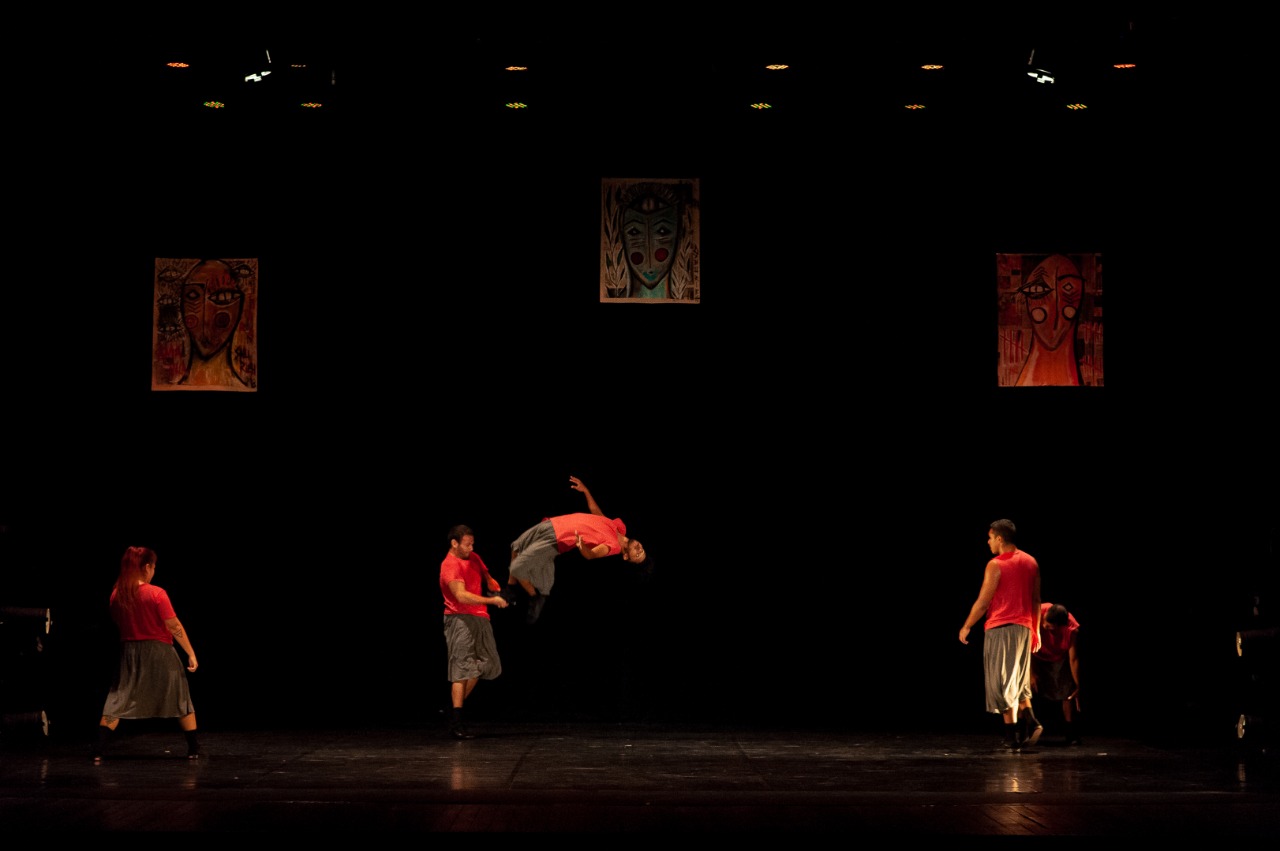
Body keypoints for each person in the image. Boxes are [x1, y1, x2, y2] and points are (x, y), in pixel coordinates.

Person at [92, 546, 200, 762]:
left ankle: (98, 750)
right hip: (160, 653)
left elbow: (118, 622)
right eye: (154, 567)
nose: (154, 571)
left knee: (118, 699)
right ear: (147, 567)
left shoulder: (116, 595)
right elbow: (173, 625)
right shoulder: (156, 593)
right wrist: (191, 653)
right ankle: (193, 749)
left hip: (129, 654)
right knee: (180, 697)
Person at [504, 476, 648, 625]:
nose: (639, 549)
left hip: (559, 538)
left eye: (637, 555)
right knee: (516, 546)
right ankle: (510, 590)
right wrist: (586, 491)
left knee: (518, 566)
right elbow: (597, 513)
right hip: (557, 523)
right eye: (642, 550)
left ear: (626, 557)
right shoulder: (620, 528)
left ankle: (536, 597)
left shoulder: (613, 547)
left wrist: (582, 546)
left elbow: (591, 555)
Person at [959, 519, 1042, 750]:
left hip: (1001, 628)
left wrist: (967, 625)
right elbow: (1036, 600)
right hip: (1024, 628)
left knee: (1002, 682)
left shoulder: (995, 564)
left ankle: (1018, 732)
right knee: (1017, 681)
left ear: (999, 538)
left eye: (990, 538)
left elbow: (983, 601)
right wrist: (1036, 630)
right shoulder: (1031, 562)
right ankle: (1024, 727)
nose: (988, 542)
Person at [440, 524, 508, 740]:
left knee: (488, 664)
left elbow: (485, 575)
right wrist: (491, 600)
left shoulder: (474, 557)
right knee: (461, 668)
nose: (471, 548)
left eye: (473, 544)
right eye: (467, 544)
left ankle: (451, 708)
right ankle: (456, 722)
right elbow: (461, 596)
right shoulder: (449, 565)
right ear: (454, 543)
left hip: (480, 618)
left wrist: (491, 582)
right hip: (459, 619)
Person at [1032, 602, 1083, 745]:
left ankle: (1070, 732)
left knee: (1068, 692)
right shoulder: (1038, 611)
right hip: (1034, 654)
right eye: (1045, 622)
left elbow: (1073, 658)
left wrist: (1078, 685)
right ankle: (1022, 730)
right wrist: (1031, 673)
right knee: (1026, 691)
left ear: (1060, 626)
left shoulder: (1071, 628)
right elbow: (1025, 646)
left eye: (1049, 627)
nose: (1044, 626)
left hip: (1057, 656)